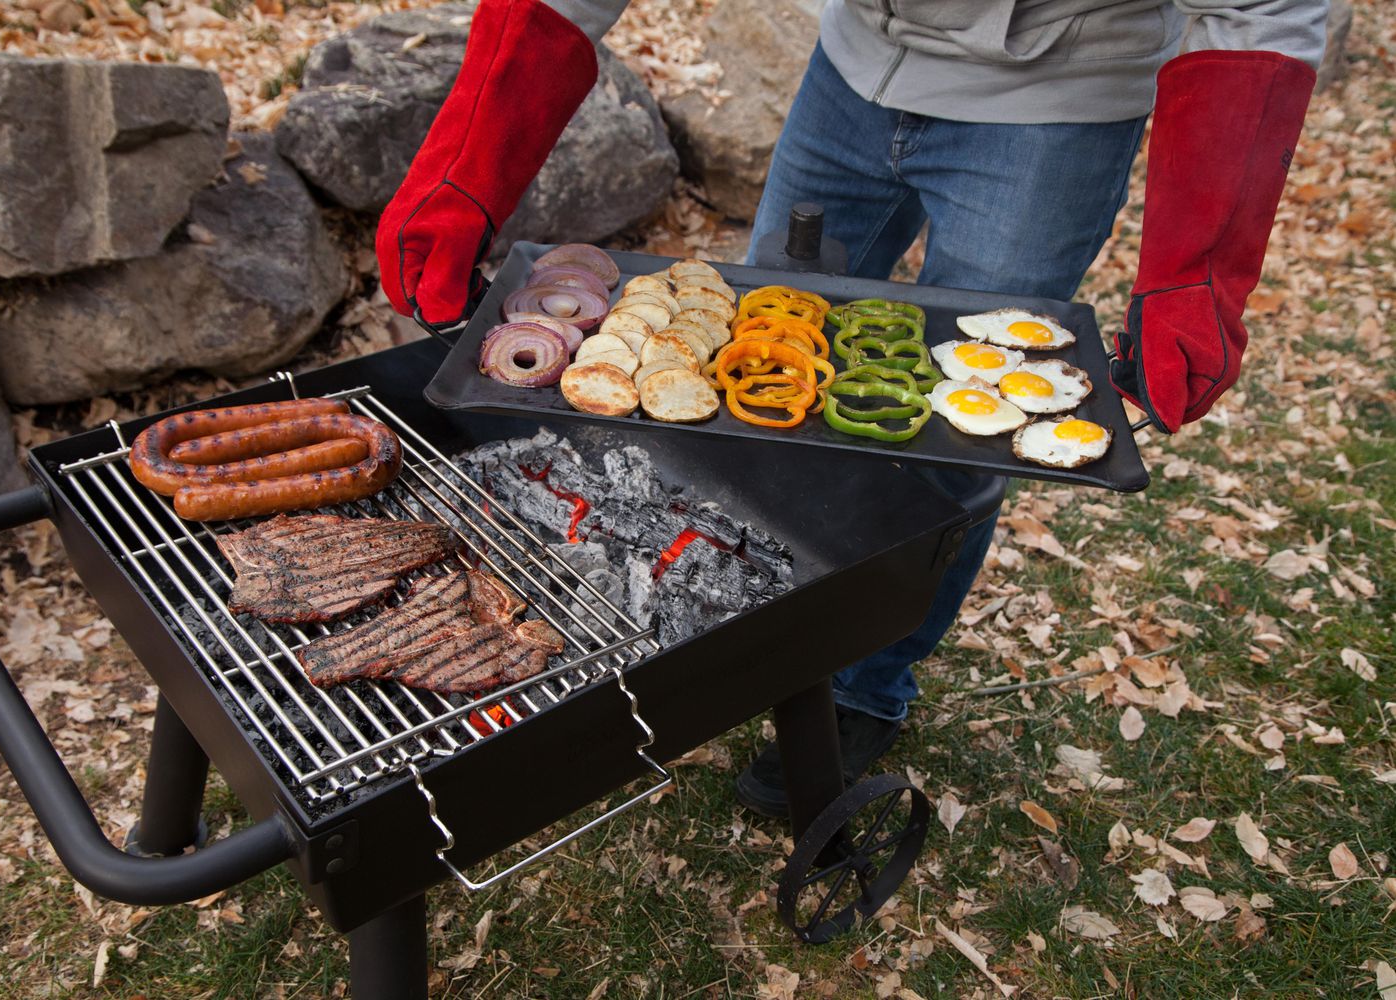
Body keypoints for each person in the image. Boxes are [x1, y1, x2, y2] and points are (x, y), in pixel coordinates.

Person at [374, 0, 1327, 816]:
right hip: (855, 66)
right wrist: (471, 161)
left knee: (958, 438)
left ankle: (867, 684)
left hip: (1057, 99)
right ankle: (758, 625)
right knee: (754, 375)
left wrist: (1200, 268)